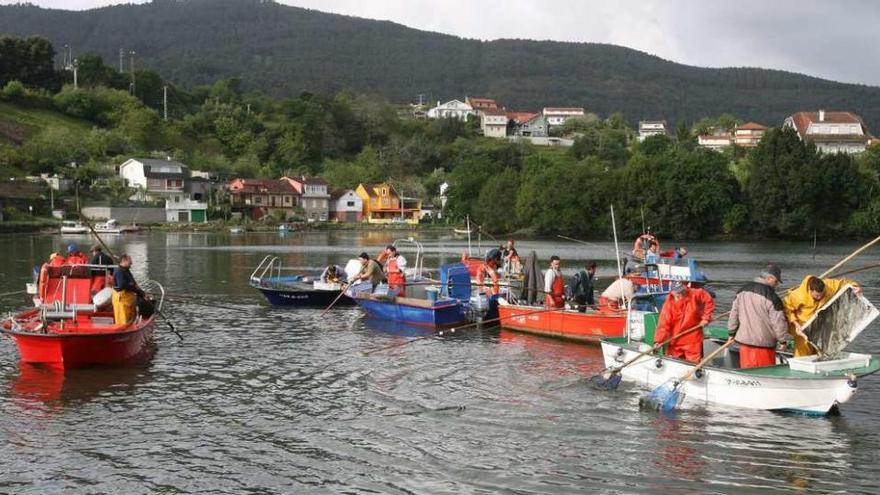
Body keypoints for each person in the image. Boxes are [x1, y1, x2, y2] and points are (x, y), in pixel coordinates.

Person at [728, 264, 790, 369]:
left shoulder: (742, 290)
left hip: (744, 343)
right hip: (764, 345)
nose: (776, 285)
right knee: (765, 372)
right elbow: (779, 322)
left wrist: (731, 332)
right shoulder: (773, 297)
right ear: (770, 278)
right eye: (776, 282)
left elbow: (733, 314)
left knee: (747, 370)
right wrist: (783, 341)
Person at [783, 275, 862, 357]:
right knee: (803, 353)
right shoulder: (797, 296)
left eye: (822, 294)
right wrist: (796, 324)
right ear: (810, 290)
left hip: (821, 326)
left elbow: (845, 283)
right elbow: (787, 309)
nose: (819, 297)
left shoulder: (829, 286)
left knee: (823, 350)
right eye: (816, 296)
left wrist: (855, 286)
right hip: (803, 328)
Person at [653, 281, 715, 363]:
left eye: (682, 291)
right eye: (678, 292)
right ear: (672, 292)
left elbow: (708, 301)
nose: (681, 294)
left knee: (693, 363)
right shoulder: (668, 305)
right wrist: (658, 341)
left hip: (693, 338)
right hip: (675, 340)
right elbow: (663, 325)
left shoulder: (695, 293)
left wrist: (706, 318)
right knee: (674, 363)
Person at [112, 254, 144, 325]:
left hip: (128, 299)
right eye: (130, 261)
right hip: (122, 299)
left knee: (130, 318)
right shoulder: (119, 271)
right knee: (123, 320)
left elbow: (132, 282)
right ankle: (122, 332)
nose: (131, 263)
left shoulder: (126, 270)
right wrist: (133, 287)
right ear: (124, 261)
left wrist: (140, 292)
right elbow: (122, 285)